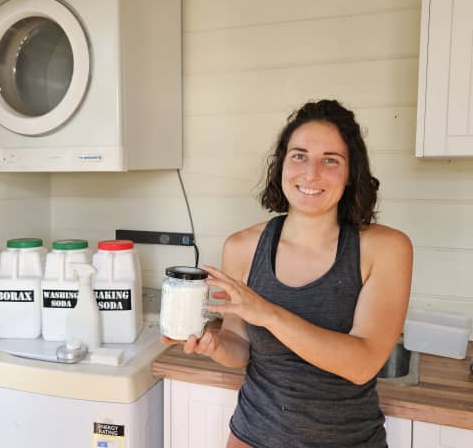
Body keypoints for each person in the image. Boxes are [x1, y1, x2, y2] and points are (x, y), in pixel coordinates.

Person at [161, 99, 413, 448]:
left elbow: (362, 364)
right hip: (253, 435)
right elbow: (241, 348)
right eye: (299, 155)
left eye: (330, 160)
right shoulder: (242, 247)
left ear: (351, 173)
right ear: (282, 165)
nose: (311, 173)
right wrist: (216, 345)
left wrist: (268, 313)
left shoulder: (385, 248)